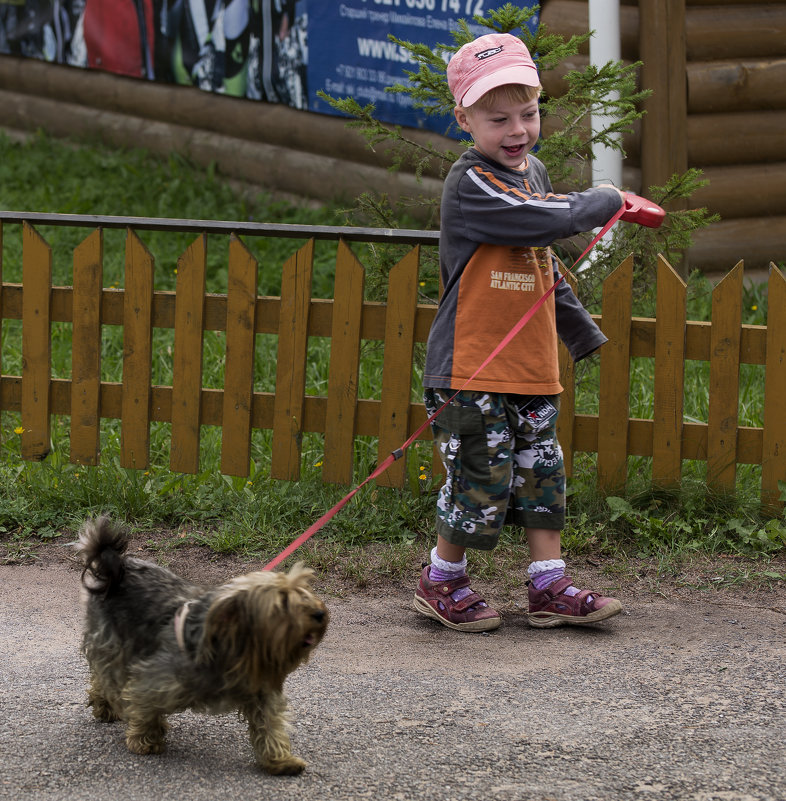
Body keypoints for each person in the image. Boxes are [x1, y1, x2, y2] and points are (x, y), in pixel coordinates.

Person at [413, 32, 625, 632]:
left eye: (528, 113)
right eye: (497, 117)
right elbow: (537, 221)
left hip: (531, 365)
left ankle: (548, 582)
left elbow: (542, 266)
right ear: (465, 119)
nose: (517, 130)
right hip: (470, 366)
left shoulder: (532, 171)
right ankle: (442, 579)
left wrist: (576, 328)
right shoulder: (471, 183)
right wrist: (601, 199)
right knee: (481, 472)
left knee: (541, 471)